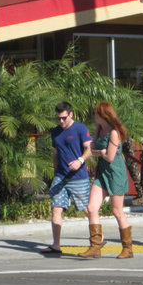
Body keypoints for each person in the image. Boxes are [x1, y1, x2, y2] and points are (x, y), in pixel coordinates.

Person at [79, 101, 133, 259]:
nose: (94, 116)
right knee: (91, 207)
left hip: (115, 173)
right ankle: (95, 246)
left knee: (117, 211)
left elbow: (110, 157)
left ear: (103, 115)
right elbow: (93, 147)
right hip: (102, 173)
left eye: (96, 113)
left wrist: (100, 152)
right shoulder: (99, 129)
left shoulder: (114, 132)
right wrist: (100, 151)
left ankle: (127, 248)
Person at [41, 101, 92, 254]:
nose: (61, 121)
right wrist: (56, 172)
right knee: (56, 209)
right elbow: (55, 153)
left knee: (87, 209)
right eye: (59, 118)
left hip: (78, 176)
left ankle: (98, 238)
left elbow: (89, 149)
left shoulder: (80, 128)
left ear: (71, 114)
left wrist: (80, 160)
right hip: (61, 176)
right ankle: (56, 244)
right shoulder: (55, 131)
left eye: (64, 118)